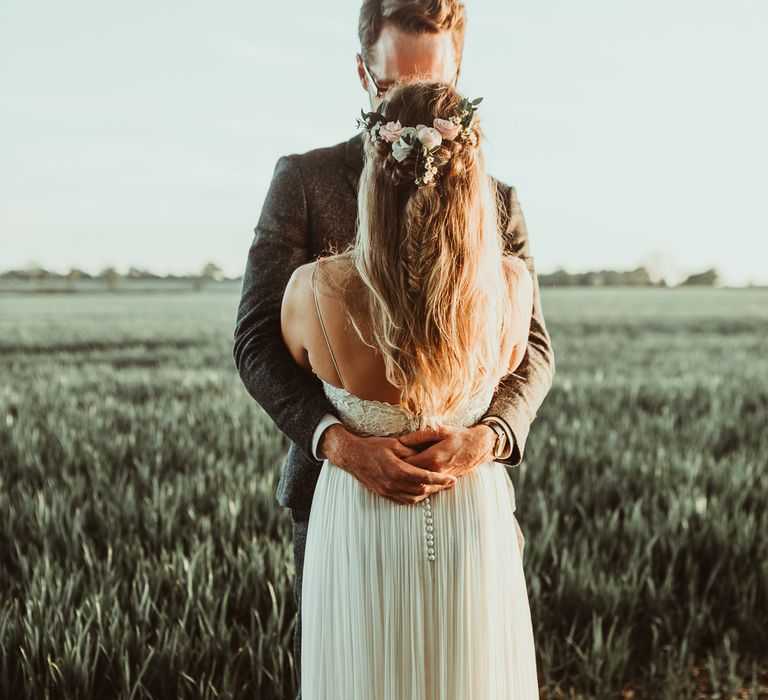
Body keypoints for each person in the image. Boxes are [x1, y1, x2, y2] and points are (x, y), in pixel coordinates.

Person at [232, 2, 555, 696]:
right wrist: (341, 446)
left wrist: (490, 438)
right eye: (390, 90)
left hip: (467, 499)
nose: (408, 110)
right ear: (362, 73)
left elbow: (533, 350)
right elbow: (256, 340)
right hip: (336, 497)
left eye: (432, 89)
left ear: (460, 76)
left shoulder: (497, 202)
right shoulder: (305, 180)